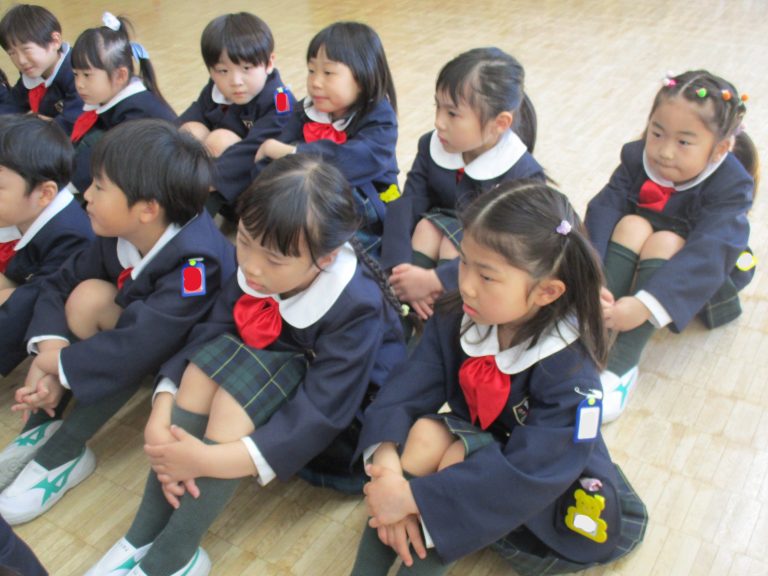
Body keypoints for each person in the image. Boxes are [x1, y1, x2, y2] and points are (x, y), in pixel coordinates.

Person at [86, 155, 407, 576]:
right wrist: (162, 412)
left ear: (326, 257)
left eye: (273, 259)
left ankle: (175, 555)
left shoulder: (356, 306)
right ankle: (141, 536)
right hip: (286, 382)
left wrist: (208, 461)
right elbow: (210, 331)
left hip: (336, 431)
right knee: (199, 372)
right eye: (244, 240)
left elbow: (323, 410)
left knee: (234, 400)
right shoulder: (262, 264)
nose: (251, 266)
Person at [351, 180, 646, 576]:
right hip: (489, 453)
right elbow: (405, 389)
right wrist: (387, 472)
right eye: (464, 262)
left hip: (544, 497)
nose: (466, 284)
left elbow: (533, 473)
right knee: (423, 435)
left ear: (547, 292)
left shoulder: (571, 372)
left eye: (487, 276)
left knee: (458, 459)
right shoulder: (458, 314)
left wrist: (415, 499)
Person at [0, 119, 236, 525]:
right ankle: (46, 420)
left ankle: (67, 451)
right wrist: (51, 350)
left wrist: (57, 364)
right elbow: (58, 283)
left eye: (99, 186)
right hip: (147, 335)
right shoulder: (119, 227)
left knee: (126, 347)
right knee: (87, 297)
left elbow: (142, 344)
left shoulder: (198, 263)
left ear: (148, 208)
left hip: (190, 359)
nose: (86, 195)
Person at [585, 70, 756, 421]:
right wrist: (594, 277)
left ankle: (621, 365)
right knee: (631, 224)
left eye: (684, 142)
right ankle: (595, 328)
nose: (663, 151)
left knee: (666, 240)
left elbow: (709, 254)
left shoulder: (732, 185)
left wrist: (645, 305)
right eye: (657, 133)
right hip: (641, 246)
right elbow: (604, 208)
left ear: (719, 148)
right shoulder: (636, 157)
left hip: (697, 275)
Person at [381, 47, 544, 320]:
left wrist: (435, 280)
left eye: (453, 114)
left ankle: (445, 322)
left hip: (480, 273)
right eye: (437, 107)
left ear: (500, 123)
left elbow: (503, 252)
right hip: (428, 252)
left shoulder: (524, 173)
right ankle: (406, 309)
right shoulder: (431, 145)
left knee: (454, 241)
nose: (438, 122)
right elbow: (408, 203)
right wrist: (400, 272)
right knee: (426, 227)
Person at [216, 21, 399, 256]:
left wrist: (291, 152)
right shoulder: (307, 110)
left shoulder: (380, 118)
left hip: (367, 206)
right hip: (314, 203)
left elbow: (351, 161)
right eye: (311, 71)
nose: (315, 82)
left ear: (363, 78)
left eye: (328, 73)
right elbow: (272, 153)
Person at [0, 116, 94, 416]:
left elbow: (33, 303)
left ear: (44, 193)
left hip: (70, 311)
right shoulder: (27, 210)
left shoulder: (70, 235)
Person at [68, 11, 176, 195]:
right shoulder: (115, 98)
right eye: (75, 74)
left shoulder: (137, 112)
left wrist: (67, 185)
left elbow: (108, 155)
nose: (79, 84)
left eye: (87, 75)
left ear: (120, 75)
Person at [178, 12, 293, 159]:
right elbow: (190, 117)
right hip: (220, 161)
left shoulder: (281, 100)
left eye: (246, 68)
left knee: (219, 141)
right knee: (189, 131)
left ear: (269, 63)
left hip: (255, 165)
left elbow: (255, 150)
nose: (235, 81)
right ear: (210, 71)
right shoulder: (215, 89)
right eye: (223, 71)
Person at [0, 4, 84, 135]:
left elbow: (71, 125)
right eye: (12, 53)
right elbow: (12, 106)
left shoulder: (79, 74)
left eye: (26, 50)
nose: (21, 60)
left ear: (55, 41)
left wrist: (36, 124)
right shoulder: (32, 74)